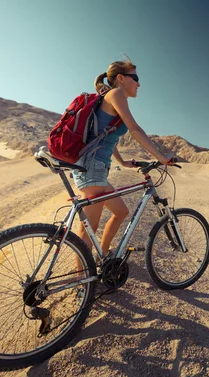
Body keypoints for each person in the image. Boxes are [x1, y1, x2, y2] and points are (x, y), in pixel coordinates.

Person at [73, 57, 173, 260]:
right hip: (91, 168)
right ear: (120, 78)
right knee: (88, 229)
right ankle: (83, 282)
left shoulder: (112, 98)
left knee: (120, 212)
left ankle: (104, 255)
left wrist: (121, 162)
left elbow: (107, 137)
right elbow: (135, 130)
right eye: (135, 78)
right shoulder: (116, 94)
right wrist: (162, 158)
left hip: (97, 168)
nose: (139, 83)